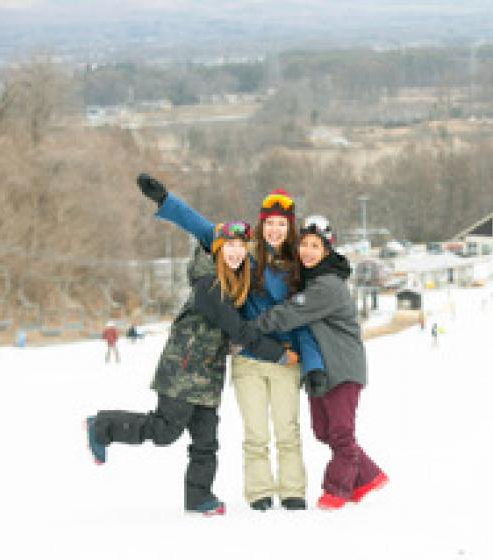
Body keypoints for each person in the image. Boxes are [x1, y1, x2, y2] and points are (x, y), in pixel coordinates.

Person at [136, 173, 324, 512]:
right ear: (262, 225)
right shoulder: (245, 252)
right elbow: (205, 229)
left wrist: (313, 365)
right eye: (270, 223)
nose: (275, 230)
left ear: (290, 228)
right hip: (249, 356)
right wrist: (166, 201)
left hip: (286, 358)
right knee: (255, 433)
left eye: (282, 224)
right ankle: (259, 493)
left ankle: (293, 492)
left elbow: (306, 320)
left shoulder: (299, 267)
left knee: (288, 430)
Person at [85, 221, 299, 516]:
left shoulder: (231, 284)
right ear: (217, 249)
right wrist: (278, 355)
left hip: (208, 374)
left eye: (240, 246)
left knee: (206, 440)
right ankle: (102, 425)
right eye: (229, 246)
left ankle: (199, 497)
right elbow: (237, 331)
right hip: (183, 371)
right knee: (164, 430)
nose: (236, 252)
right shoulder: (209, 285)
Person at [251, 215, 387, 511]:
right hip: (322, 366)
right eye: (304, 245)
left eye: (315, 246)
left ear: (327, 250)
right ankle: (368, 476)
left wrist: (251, 327)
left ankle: (337, 489)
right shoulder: (310, 279)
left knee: (340, 433)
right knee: (323, 431)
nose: (308, 251)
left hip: (342, 366)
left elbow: (288, 314)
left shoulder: (326, 285)